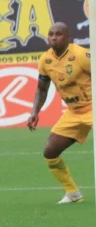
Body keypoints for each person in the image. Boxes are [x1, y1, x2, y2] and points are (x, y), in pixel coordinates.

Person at [27, 22, 90, 205]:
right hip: (74, 112)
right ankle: (73, 193)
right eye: (51, 34)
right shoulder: (46, 60)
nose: (53, 37)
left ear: (68, 37)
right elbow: (42, 89)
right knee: (50, 151)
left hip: (93, 107)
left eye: (58, 34)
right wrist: (35, 112)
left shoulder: (81, 55)